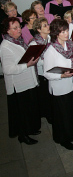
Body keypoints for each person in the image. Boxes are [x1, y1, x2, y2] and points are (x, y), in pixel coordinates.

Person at [43, 19, 73, 150]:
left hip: (71, 84)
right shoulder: (51, 51)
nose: (66, 34)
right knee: (63, 115)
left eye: (67, 31)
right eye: (63, 32)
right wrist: (62, 75)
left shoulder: (70, 44)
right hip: (59, 87)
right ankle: (63, 138)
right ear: (56, 33)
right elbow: (47, 74)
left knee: (72, 112)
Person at [1, 17, 41, 145]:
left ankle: (30, 129)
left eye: (19, 27)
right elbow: (7, 69)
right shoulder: (5, 46)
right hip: (18, 84)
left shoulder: (19, 41)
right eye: (15, 28)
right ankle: (22, 135)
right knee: (21, 112)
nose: (19, 30)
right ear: (7, 31)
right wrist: (27, 65)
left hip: (27, 80)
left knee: (29, 108)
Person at [29, 17, 52, 124]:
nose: (48, 26)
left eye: (47, 24)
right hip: (42, 73)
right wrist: (50, 59)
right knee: (45, 96)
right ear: (38, 29)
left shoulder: (50, 38)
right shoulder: (34, 44)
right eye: (44, 25)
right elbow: (36, 62)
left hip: (51, 70)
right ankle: (48, 115)